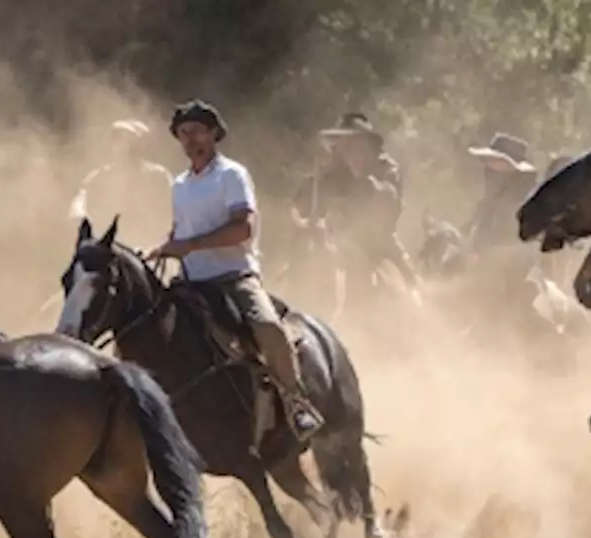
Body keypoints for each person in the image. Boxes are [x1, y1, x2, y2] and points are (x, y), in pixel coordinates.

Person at [146, 99, 324, 442]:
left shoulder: (232, 175)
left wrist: (190, 245)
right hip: (192, 281)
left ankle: (296, 402)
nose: (190, 139)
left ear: (214, 134)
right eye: (183, 133)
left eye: (197, 131)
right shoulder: (180, 184)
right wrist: (165, 246)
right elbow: (182, 231)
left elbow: (242, 228)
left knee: (268, 326)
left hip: (233, 278)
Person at [290, 112, 413, 282]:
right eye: (342, 142)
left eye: (352, 142)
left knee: (409, 287)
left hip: (379, 243)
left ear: (367, 144)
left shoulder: (386, 167)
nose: (345, 148)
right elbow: (305, 202)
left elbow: (388, 200)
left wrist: (362, 177)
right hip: (336, 239)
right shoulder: (334, 168)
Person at [70, 119, 174, 242]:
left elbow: (174, 209)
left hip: (150, 247)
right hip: (108, 246)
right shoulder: (100, 176)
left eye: (129, 141)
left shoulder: (158, 176)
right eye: (118, 141)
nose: (122, 146)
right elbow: (81, 197)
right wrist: (79, 214)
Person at [464, 132, 541, 253]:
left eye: (497, 161)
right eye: (489, 161)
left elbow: (528, 246)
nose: (490, 166)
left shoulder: (527, 201)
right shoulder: (488, 203)